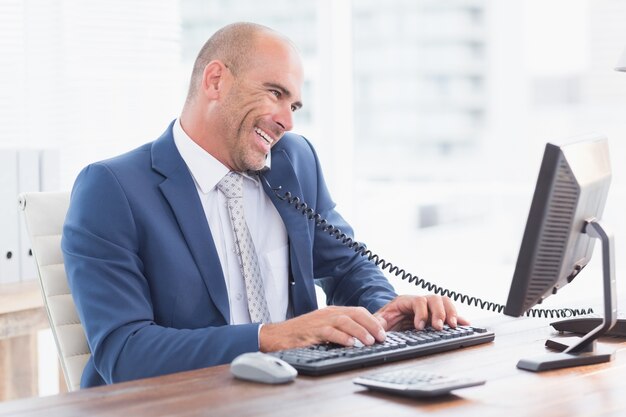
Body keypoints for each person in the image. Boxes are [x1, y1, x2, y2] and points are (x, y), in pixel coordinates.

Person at [62, 22, 468, 388]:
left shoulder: (294, 160)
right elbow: (125, 353)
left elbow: (346, 265)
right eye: (275, 93)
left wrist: (383, 309)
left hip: (292, 397)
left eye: (293, 106)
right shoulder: (111, 189)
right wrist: (272, 336)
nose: (287, 122)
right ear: (216, 81)